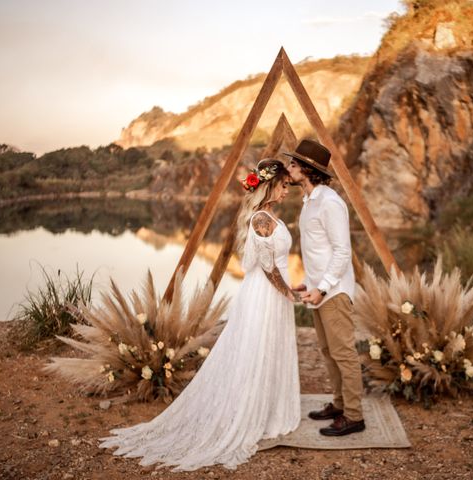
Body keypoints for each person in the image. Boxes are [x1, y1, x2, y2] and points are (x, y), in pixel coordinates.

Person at [100, 159, 301, 471]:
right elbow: (266, 265)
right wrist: (288, 291)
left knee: (270, 348)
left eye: (289, 185)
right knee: (257, 348)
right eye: (285, 185)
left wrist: (289, 287)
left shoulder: (269, 215)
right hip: (266, 294)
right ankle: (249, 409)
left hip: (274, 291)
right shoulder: (261, 218)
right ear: (270, 185)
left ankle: (268, 407)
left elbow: (275, 262)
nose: (288, 190)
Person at [285, 139, 365, 436]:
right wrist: (310, 280)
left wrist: (324, 287)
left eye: (293, 163)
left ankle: (355, 416)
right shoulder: (309, 202)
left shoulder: (330, 202)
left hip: (334, 292)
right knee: (328, 351)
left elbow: (342, 252)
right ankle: (340, 404)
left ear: (307, 169)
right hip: (320, 289)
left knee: (344, 353)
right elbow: (317, 250)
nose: (289, 168)